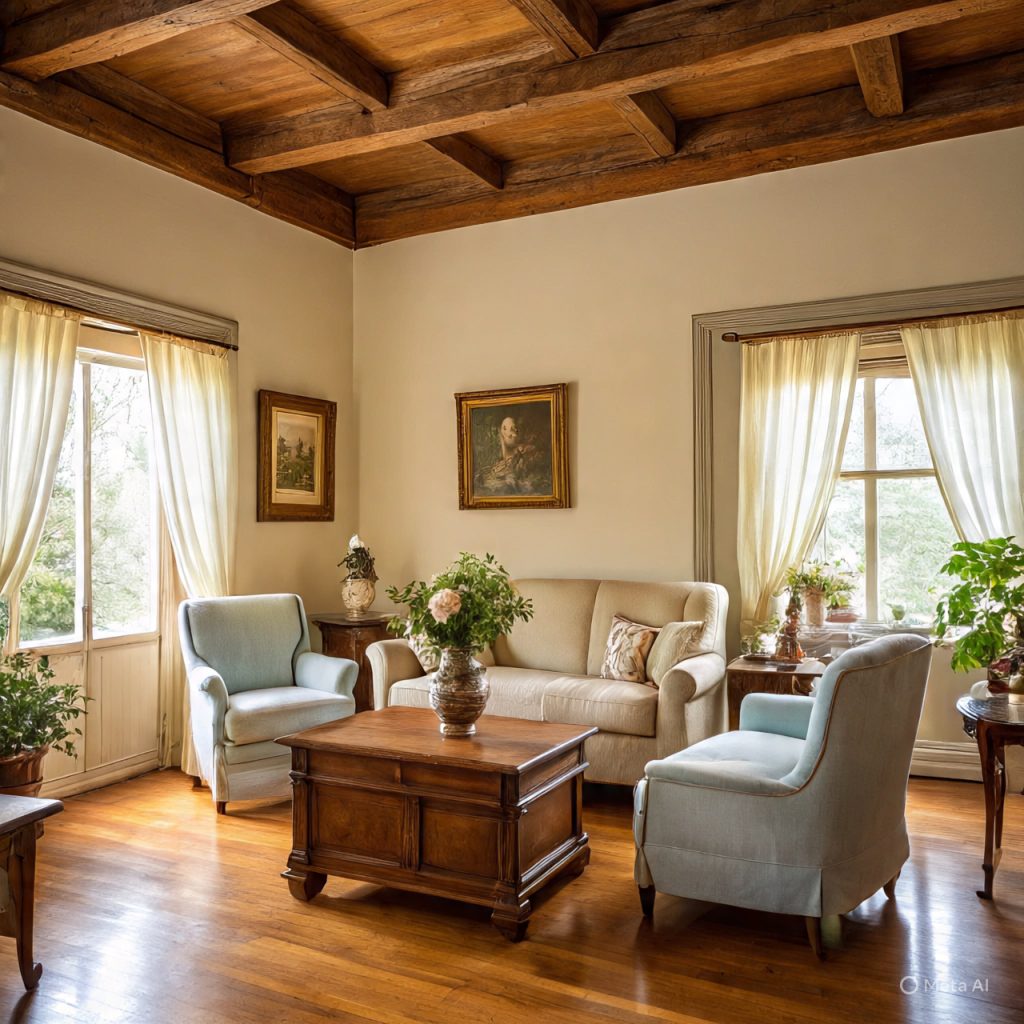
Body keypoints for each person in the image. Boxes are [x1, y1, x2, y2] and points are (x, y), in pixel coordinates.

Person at [475, 414, 549, 496]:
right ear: (503, 431)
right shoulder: (496, 465)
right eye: (512, 429)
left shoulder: (525, 457)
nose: (515, 434)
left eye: (516, 430)